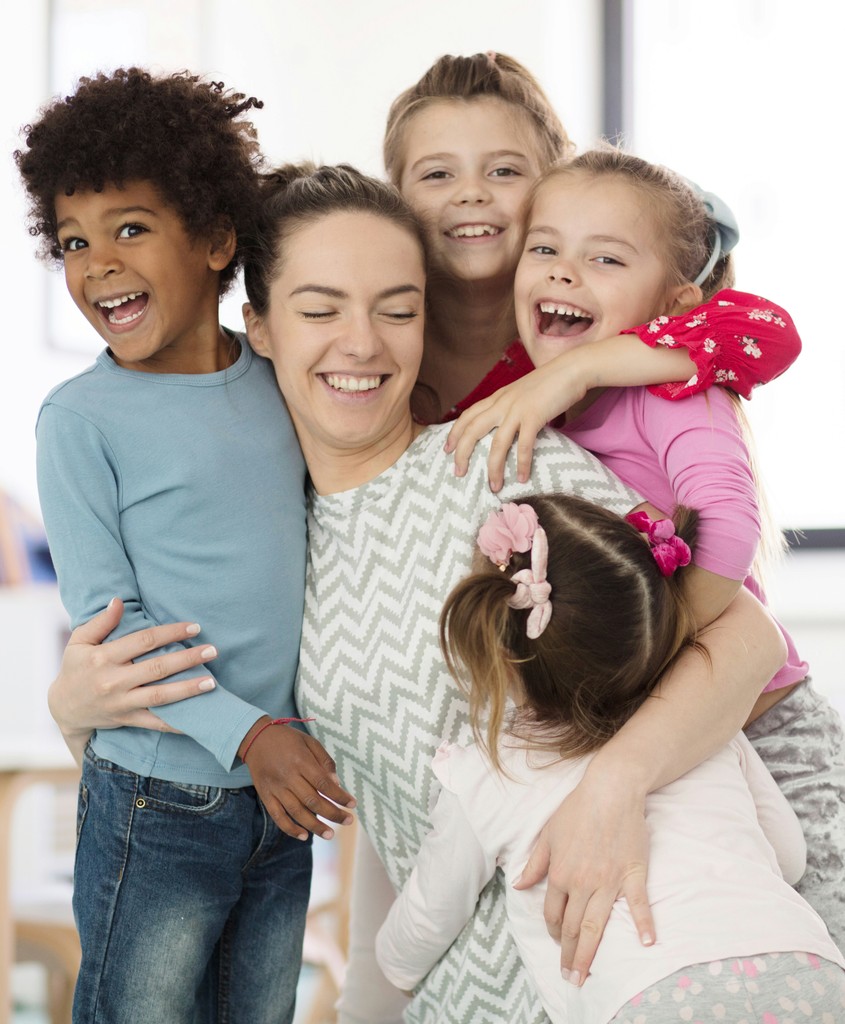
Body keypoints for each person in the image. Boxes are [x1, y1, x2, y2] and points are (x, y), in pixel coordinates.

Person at [44, 163, 786, 1024]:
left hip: (635, 963)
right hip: (451, 994)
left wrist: (612, 785)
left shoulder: (503, 457)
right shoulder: (272, 535)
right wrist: (76, 711)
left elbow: (748, 636)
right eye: (320, 310)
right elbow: (199, 777)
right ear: (260, 328)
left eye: (397, 310)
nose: (362, 344)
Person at [16, 69, 354, 1024]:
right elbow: (115, 631)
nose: (97, 265)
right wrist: (248, 732)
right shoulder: (78, 422)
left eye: (130, 229)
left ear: (214, 239)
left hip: (278, 791)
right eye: (75, 242)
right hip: (157, 800)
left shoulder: (281, 379)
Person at [446, 148, 845, 949]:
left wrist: (650, 657)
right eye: (545, 248)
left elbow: (726, 529)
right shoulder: (530, 391)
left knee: (824, 921)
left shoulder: (672, 390)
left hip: (763, 717)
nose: (562, 274)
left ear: (674, 301)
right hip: (681, 738)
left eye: (603, 259)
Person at [375, 495, 845, 1022]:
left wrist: (392, 967)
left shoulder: (491, 771)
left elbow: (427, 916)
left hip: (650, 999)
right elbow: (787, 853)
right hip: (806, 967)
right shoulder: (702, 731)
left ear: (501, 659)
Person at [384, 51, 802, 424]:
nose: (471, 192)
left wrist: (579, 368)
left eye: (505, 171)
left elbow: (769, 333)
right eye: (437, 174)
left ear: (555, 186)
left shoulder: (592, 324)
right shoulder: (372, 330)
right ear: (395, 195)